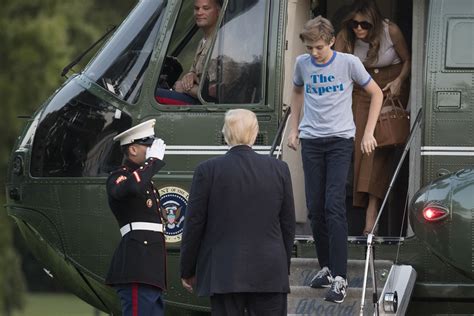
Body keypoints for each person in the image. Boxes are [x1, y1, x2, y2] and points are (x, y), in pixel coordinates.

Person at [287, 16, 382, 303]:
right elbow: (297, 91)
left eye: (318, 47)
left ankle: (340, 278)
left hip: (340, 140)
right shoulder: (302, 64)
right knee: (315, 208)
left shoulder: (348, 63)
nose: (314, 53)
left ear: (330, 41)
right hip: (312, 141)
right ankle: (327, 267)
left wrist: (368, 133)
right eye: (309, 48)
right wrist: (294, 128)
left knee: (333, 206)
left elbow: (376, 93)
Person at [180, 109, 296, 316]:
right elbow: (287, 224)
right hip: (270, 272)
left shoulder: (207, 170)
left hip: (224, 273)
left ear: (225, 134)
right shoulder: (280, 169)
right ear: (255, 133)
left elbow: (194, 224)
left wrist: (188, 269)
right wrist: (282, 265)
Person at [334, 0, 411, 235]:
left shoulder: (391, 30)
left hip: (390, 86)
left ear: (375, 23)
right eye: (355, 24)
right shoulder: (346, 37)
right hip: (363, 88)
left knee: (377, 148)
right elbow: (334, 66)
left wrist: (399, 81)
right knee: (362, 149)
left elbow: (408, 59)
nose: (359, 29)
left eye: (364, 24)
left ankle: (371, 216)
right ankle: (364, 212)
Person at [105, 119, 167, 316]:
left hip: (150, 270)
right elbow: (130, 188)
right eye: (147, 146)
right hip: (137, 266)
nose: (151, 151)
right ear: (133, 149)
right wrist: (153, 162)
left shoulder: (145, 181)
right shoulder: (120, 177)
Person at [156, 0, 221, 105]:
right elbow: (194, 74)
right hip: (196, 99)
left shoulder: (220, 43)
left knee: (154, 96)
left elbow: (213, 93)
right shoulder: (203, 42)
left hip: (206, 107)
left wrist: (184, 88)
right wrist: (191, 74)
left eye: (206, 8)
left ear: (218, 12)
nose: (199, 12)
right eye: (196, 8)